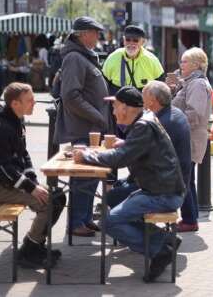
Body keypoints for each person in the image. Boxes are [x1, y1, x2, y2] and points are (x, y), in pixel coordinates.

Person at [73, 86, 185, 282]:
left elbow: (119, 159)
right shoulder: (145, 121)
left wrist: (87, 155)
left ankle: (159, 250)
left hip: (163, 194)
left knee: (108, 222)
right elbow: (139, 149)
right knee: (116, 202)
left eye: (115, 106)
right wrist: (125, 144)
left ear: (125, 108)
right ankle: (164, 239)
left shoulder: (142, 126)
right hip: (160, 190)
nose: (113, 111)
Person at [0, 83, 67, 268]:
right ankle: (28, 251)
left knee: (58, 196)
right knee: (49, 202)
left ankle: (35, 244)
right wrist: (31, 188)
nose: (34, 103)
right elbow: (4, 169)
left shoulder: (16, 121)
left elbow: (24, 156)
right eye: (29, 100)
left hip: (13, 183)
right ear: (15, 104)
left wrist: (33, 183)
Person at [54, 16, 110, 237]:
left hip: (91, 128)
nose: (98, 37)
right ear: (83, 34)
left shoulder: (83, 56)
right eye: (95, 33)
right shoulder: (75, 58)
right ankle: (76, 222)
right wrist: (98, 116)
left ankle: (84, 219)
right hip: (84, 129)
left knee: (90, 177)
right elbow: (70, 96)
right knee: (83, 177)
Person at [170, 47, 213, 232]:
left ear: (196, 65)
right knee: (188, 180)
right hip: (188, 137)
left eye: (185, 61)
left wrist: (172, 121)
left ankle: (189, 219)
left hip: (190, 138)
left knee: (183, 179)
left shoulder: (197, 84)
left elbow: (194, 114)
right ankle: (191, 217)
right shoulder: (190, 82)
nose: (181, 64)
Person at [142, 81, 194, 230]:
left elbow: (145, 153)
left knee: (118, 195)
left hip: (169, 185)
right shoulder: (175, 113)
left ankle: (150, 236)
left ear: (152, 100)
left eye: (143, 95)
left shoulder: (163, 122)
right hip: (177, 177)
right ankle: (190, 220)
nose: (141, 98)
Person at [102, 25, 164, 93]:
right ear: (124, 40)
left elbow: (161, 86)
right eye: (128, 40)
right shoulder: (113, 57)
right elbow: (103, 83)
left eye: (135, 40)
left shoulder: (152, 60)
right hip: (118, 97)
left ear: (142, 42)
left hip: (143, 97)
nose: (131, 43)